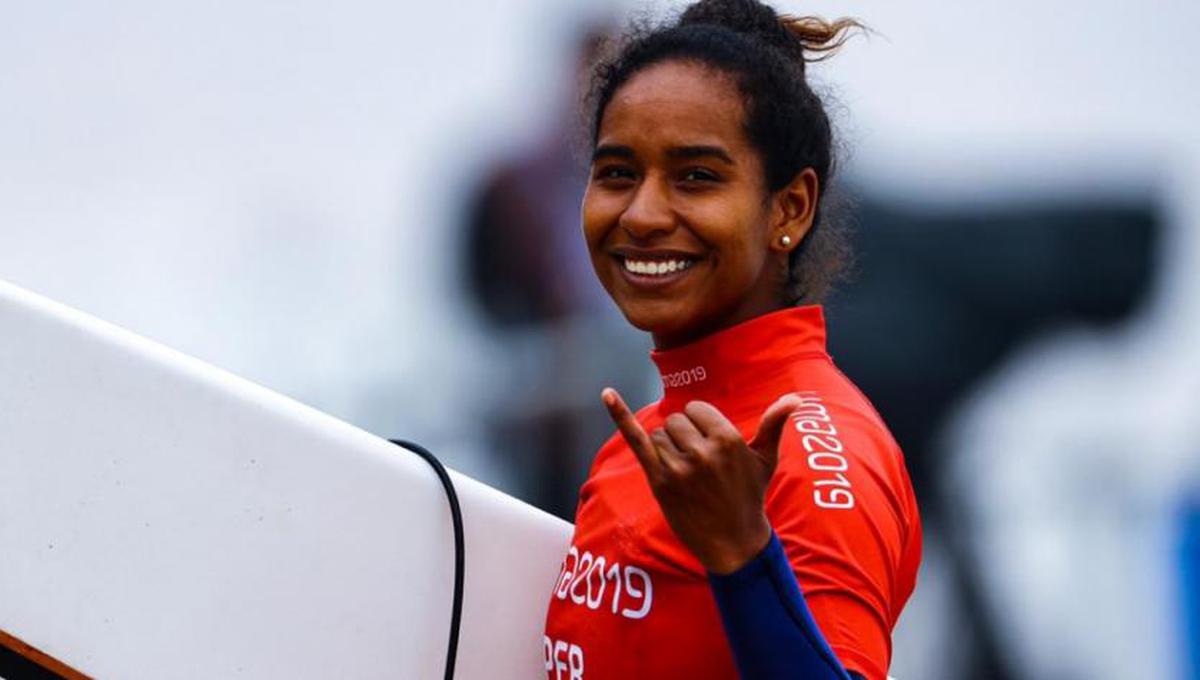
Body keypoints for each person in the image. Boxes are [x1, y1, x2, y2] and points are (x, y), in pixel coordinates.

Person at [541, 1, 922, 679]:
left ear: (789, 208)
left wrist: (744, 557)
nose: (643, 213)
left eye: (697, 177)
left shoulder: (815, 453)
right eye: (617, 173)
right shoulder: (643, 441)